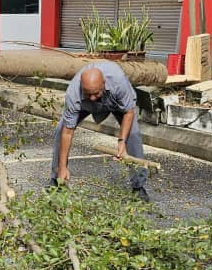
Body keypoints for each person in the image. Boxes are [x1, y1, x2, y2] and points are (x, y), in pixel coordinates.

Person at [50, 61, 150, 201]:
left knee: (133, 135)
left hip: (114, 103)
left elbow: (129, 112)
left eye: (95, 93)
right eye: (88, 93)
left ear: (103, 83)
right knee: (61, 129)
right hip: (85, 107)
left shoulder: (118, 81)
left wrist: (122, 142)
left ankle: (138, 187)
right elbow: (67, 132)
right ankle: (57, 178)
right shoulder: (73, 93)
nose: (92, 98)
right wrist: (62, 167)